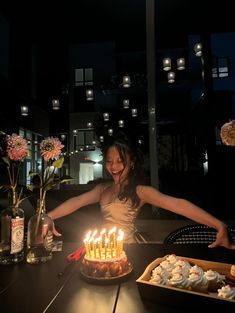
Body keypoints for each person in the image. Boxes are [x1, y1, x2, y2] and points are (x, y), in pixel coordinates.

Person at [48, 132, 235, 249]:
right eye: (109, 161)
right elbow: (77, 201)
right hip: (103, 250)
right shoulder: (102, 189)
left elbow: (178, 205)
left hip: (129, 250)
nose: (113, 167)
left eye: (120, 161)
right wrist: (48, 217)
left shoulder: (140, 191)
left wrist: (219, 225)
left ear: (132, 163)